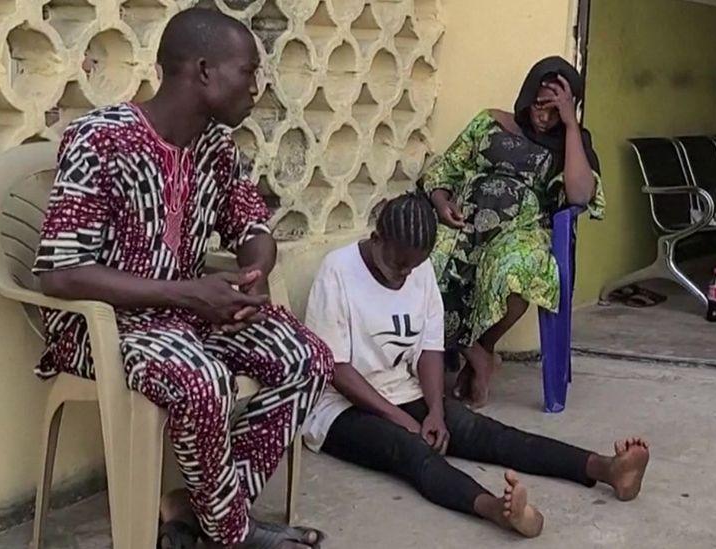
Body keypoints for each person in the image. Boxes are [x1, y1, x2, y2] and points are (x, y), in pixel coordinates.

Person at [33, 9, 332, 549]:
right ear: (203, 71)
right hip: (101, 329)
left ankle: (196, 512)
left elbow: (252, 226)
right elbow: (60, 273)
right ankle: (233, 534)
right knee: (203, 378)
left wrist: (254, 274)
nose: (257, 89)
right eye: (247, 72)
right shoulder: (101, 139)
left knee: (307, 358)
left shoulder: (215, 147)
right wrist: (189, 292)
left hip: (185, 317)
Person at [302, 194, 649, 539]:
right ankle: (496, 509)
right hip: (338, 409)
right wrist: (403, 420)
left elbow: (429, 349)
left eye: (412, 266)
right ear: (377, 239)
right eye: (397, 265)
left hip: (400, 390)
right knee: (410, 450)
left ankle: (605, 467)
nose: (404, 275)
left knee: (478, 430)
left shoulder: (419, 270)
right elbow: (336, 369)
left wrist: (435, 410)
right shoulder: (338, 270)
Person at [420, 57, 605, 408]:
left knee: (517, 269)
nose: (544, 117)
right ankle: (453, 353)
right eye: (540, 106)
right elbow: (446, 170)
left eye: (556, 110)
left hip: (520, 231)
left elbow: (580, 195)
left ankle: (481, 348)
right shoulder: (490, 122)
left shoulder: (572, 143)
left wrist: (570, 126)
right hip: (464, 221)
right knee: (427, 260)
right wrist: (442, 201)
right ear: (527, 95)